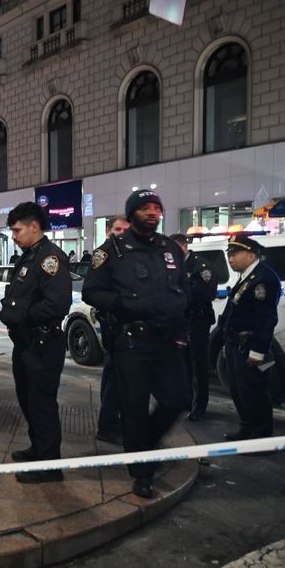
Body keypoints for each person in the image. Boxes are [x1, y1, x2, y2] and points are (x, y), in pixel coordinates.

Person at [82, 190, 191, 499]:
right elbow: (92, 291)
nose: (153, 212)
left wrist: (181, 301)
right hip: (132, 341)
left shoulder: (169, 248)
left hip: (167, 340)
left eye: (157, 207)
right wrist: (125, 304)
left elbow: (184, 285)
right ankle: (141, 472)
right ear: (131, 215)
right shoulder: (112, 251)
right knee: (134, 410)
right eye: (145, 208)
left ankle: (147, 446)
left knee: (177, 399)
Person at [0, 202, 72, 483]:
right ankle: (38, 448)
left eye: (17, 230)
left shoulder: (50, 258)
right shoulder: (30, 256)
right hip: (26, 343)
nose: (14, 236)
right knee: (27, 400)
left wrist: (23, 316)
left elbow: (57, 303)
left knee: (42, 404)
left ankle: (49, 465)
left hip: (42, 343)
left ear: (34, 227)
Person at [216, 235, 280, 441]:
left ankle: (260, 437)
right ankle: (246, 430)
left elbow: (266, 319)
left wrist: (258, 351)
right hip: (236, 345)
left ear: (251, 255)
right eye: (229, 254)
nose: (230, 258)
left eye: (235, 254)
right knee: (238, 390)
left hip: (250, 346)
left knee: (254, 393)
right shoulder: (247, 277)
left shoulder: (264, 279)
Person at [170, 233, 217, 421]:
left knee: (199, 366)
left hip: (198, 321)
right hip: (182, 321)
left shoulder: (200, 266)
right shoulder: (177, 266)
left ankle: (200, 406)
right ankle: (188, 400)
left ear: (184, 247)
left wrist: (177, 296)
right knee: (184, 364)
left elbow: (203, 294)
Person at [95, 214, 130, 444]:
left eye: (125, 229)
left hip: (123, 325)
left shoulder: (126, 253)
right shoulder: (105, 254)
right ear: (109, 231)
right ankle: (107, 425)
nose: (121, 233)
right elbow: (94, 290)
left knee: (112, 375)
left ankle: (109, 421)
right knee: (117, 378)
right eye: (117, 229)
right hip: (114, 325)